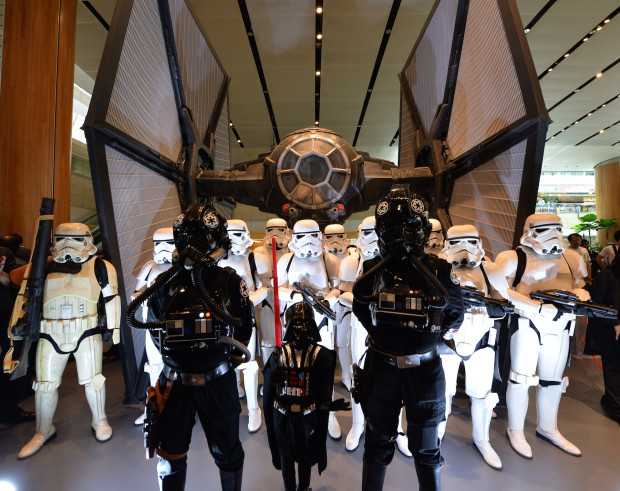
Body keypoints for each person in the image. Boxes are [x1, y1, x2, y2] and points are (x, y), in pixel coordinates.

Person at [126, 204, 254, 491]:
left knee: (228, 453)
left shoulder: (231, 282)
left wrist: (221, 359)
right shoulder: (163, 283)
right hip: (176, 383)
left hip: (215, 380)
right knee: (170, 454)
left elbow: (244, 327)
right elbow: (155, 331)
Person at [352, 187, 464, 490]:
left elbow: (456, 312)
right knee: (376, 443)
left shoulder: (439, 269)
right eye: (391, 228)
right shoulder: (371, 268)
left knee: (427, 449)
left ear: (424, 229)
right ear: (380, 230)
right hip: (382, 368)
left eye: (410, 227)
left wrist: (427, 338)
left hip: (424, 370)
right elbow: (359, 307)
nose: (400, 235)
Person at [18, 223, 121, 459]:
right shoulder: (44, 267)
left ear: (87, 241)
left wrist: (114, 330)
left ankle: (100, 420)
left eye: (74, 239)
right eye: (62, 239)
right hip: (50, 332)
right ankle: (43, 430)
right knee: (44, 385)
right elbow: (24, 291)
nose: (67, 245)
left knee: (94, 381)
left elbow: (112, 298)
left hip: (86, 331)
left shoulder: (101, 267)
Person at [495, 214, 589, 459]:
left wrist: (580, 294)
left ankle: (548, 428)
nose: (553, 233)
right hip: (527, 323)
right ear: (529, 231)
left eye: (557, 228)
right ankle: (515, 429)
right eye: (545, 229)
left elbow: (579, 284)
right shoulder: (513, 258)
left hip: (560, 326)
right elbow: (502, 291)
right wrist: (535, 307)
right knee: (520, 378)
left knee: (553, 381)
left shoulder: (572, 258)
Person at [439, 224, 511, 469]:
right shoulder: (437, 267)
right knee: (443, 392)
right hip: (447, 339)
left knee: (482, 394)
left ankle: (482, 439)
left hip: (481, 338)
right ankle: (436, 436)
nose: (464, 249)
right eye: (457, 242)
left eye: (470, 242)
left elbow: (506, 303)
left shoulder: (490, 269)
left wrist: (489, 307)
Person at [339, 216, 411, 457]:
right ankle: (358, 424)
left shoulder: (402, 262)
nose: (363, 238)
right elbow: (343, 292)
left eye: (370, 232)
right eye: (363, 232)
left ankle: (398, 428)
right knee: (358, 373)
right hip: (362, 323)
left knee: (397, 376)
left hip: (393, 326)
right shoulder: (352, 262)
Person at [262, 301, 349, 491]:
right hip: (283, 417)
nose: (301, 331)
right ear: (289, 326)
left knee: (305, 457)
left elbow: (323, 389)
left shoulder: (322, 356)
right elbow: (269, 392)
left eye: (305, 325)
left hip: (307, 418)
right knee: (286, 458)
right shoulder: (279, 356)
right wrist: (271, 376)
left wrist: (328, 406)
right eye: (296, 326)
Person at [276, 219, 342, 440]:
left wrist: (326, 300)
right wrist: (297, 296)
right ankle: (295, 405)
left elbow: (338, 288)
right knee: (294, 367)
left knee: (324, 366)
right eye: (302, 236)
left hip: (322, 321)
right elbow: (278, 290)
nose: (307, 242)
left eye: (312, 236)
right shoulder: (286, 260)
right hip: (293, 322)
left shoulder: (328, 259)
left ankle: (327, 409)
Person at [220, 219, 270, 433]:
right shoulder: (214, 260)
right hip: (221, 319)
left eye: (237, 234)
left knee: (248, 365)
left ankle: (253, 409)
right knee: (224, 364)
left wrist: (248, 300)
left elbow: (266, 286)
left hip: (245, 318)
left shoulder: (254, 258)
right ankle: (231, 402)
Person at [133, 228, 175, 426]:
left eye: (168, 242)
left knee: (179, 365)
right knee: (154, 365)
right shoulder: (150, 267)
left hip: (176, 322)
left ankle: (180, 407)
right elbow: (137, 291)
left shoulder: (184, 266)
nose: (163, 249)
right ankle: (153, 407)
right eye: (158, 244)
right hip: (151, 321)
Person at [0, 248, 36, 425]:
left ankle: (8, 409)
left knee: (11, 360)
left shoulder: (4, 253)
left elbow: (11, 281)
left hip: (5, 315)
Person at [253, 218, 291, 366]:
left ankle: (286, 371)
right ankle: (270, 373)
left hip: (287, 300)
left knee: (288, 338)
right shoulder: (258, 252)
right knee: (268, 341)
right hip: (267, 299)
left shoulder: (291, 252)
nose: (275, 233)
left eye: (280, 230)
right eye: (271, 229)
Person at [588, 255, 620, 423]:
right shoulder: (608, 274)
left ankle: (610, 400)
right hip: (612, 330)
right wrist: (615, 321)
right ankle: (615, 406)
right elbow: (597, 302)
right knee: (613, 367)